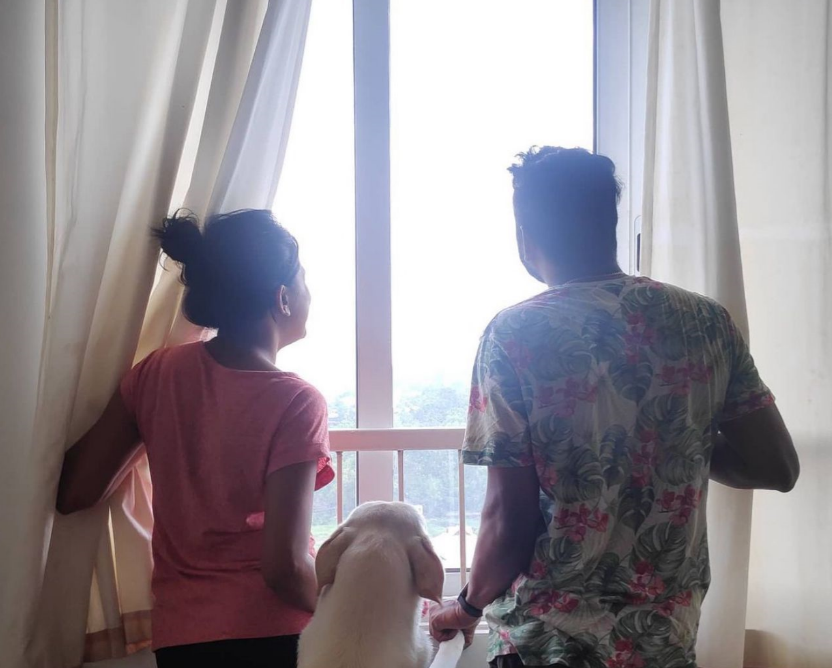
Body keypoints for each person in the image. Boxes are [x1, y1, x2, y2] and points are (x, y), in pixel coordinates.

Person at [429, 147, 800, 668]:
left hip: (546, 643)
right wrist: (672, 429)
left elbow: (508, 521)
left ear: (524, 237)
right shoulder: (705, 321)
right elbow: (776, 466)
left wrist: (465, 607)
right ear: (611, 224)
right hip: (662, 641)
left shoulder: (515, 335)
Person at [57, 209, 334, 668]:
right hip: (273, 635)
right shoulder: (297, 401)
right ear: (283, 298)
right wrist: (342, 611)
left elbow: (75, 492)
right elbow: (285, 568)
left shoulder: (157, 374)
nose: (310, 294)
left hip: (182, 638)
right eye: (304, 281)